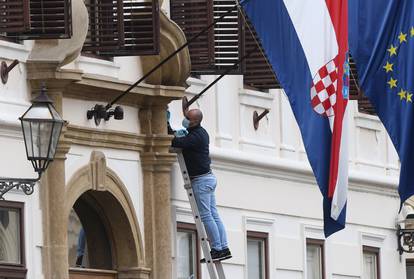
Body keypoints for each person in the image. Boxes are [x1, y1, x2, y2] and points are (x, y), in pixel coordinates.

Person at [171, 109, 231, 262]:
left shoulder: (196, 136)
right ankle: (223, 247)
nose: (184, 119)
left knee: (206, 215)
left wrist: (168, 132)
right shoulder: (200, 133)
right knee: (214, 214)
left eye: (187, 118)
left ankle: (217, 249)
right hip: (208, 178)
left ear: (195, 121)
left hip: (201, 181)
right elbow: (183, 137)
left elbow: (178, 142)